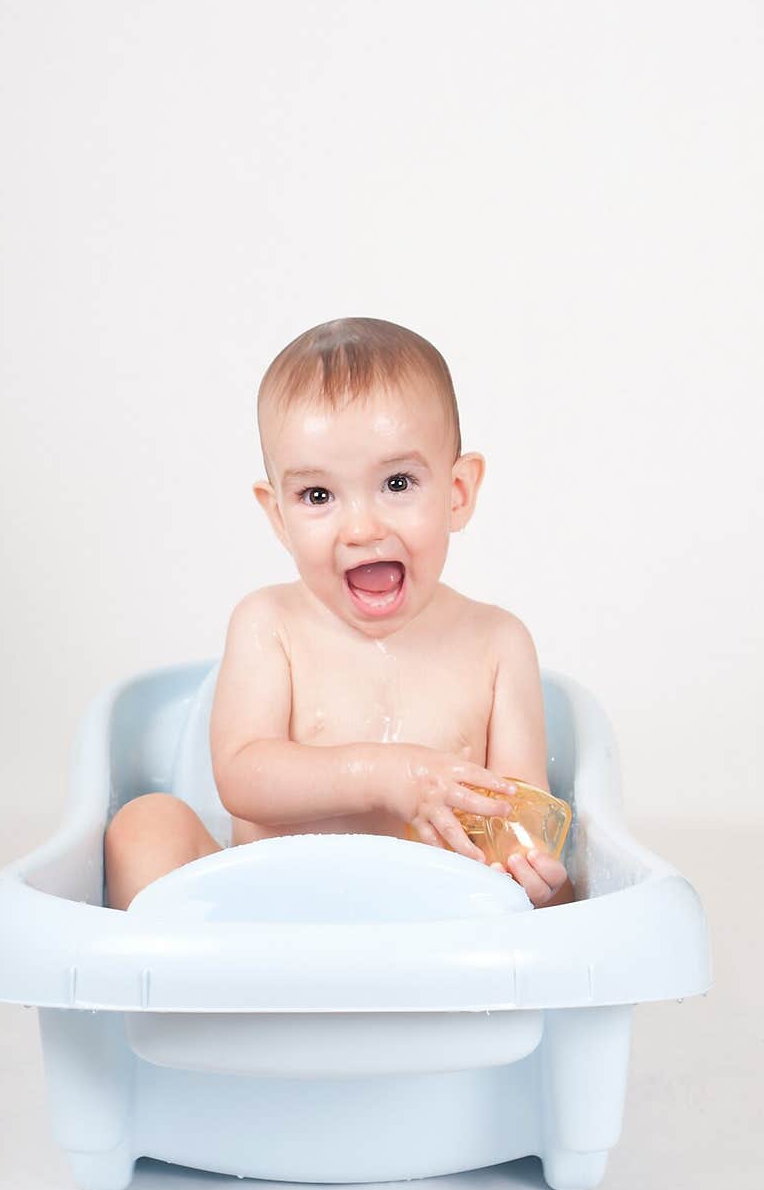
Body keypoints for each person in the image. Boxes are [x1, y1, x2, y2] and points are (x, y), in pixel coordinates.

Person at [105, 317, 574, 912]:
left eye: (397, 482)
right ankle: (194, 986)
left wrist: (527, 867)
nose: (362, 528)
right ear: (278, 516)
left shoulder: (497, 643)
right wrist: (388, 777)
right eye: (318, 496)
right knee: (145, 825)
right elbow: (242, 776)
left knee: (558, 892)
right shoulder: (269, 625)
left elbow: (518, 812)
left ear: (458, 493)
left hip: (431, 923)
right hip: (266, 913)